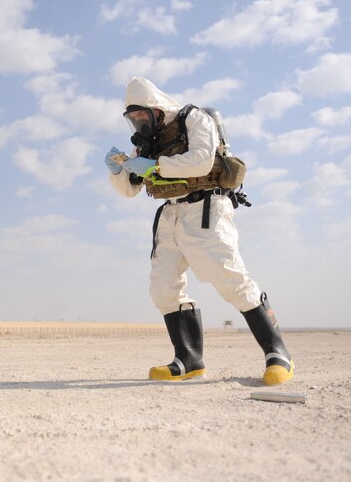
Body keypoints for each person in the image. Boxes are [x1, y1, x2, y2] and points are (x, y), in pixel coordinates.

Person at [105, 77, 294, 386]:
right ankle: (188, 360)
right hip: (171, 213)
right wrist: (118, 171)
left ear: (155, 108)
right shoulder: (146, 142)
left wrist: (153, 165)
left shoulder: (193, 118)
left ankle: (278, 353)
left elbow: (202, 160)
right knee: (163, 287)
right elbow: (130, 190)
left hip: (206, 207)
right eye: (132, 119)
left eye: (140, 115)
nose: (137, 123)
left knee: (228, 277)